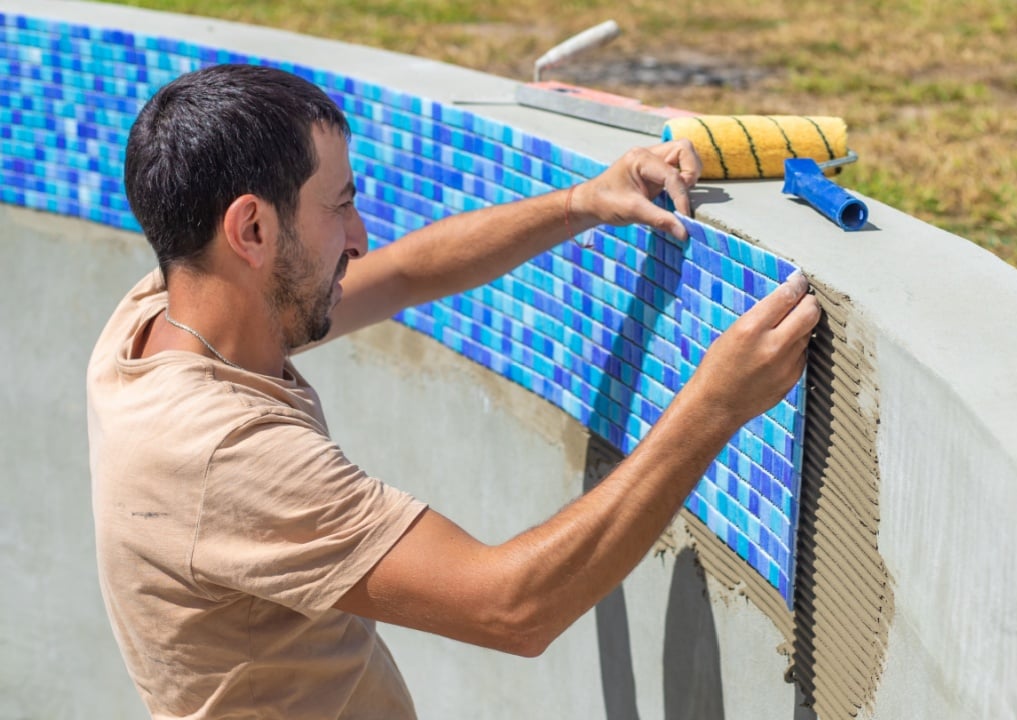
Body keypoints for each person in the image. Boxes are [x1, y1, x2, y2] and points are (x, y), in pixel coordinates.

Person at [87, 63, 820, 719]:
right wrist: (714, 407)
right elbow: (512, 606)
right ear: (250, 228)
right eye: (337, 205)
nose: (360, 234)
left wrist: (583, 203)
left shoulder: (164, 314)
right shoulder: (224, 456)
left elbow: (405, 274)